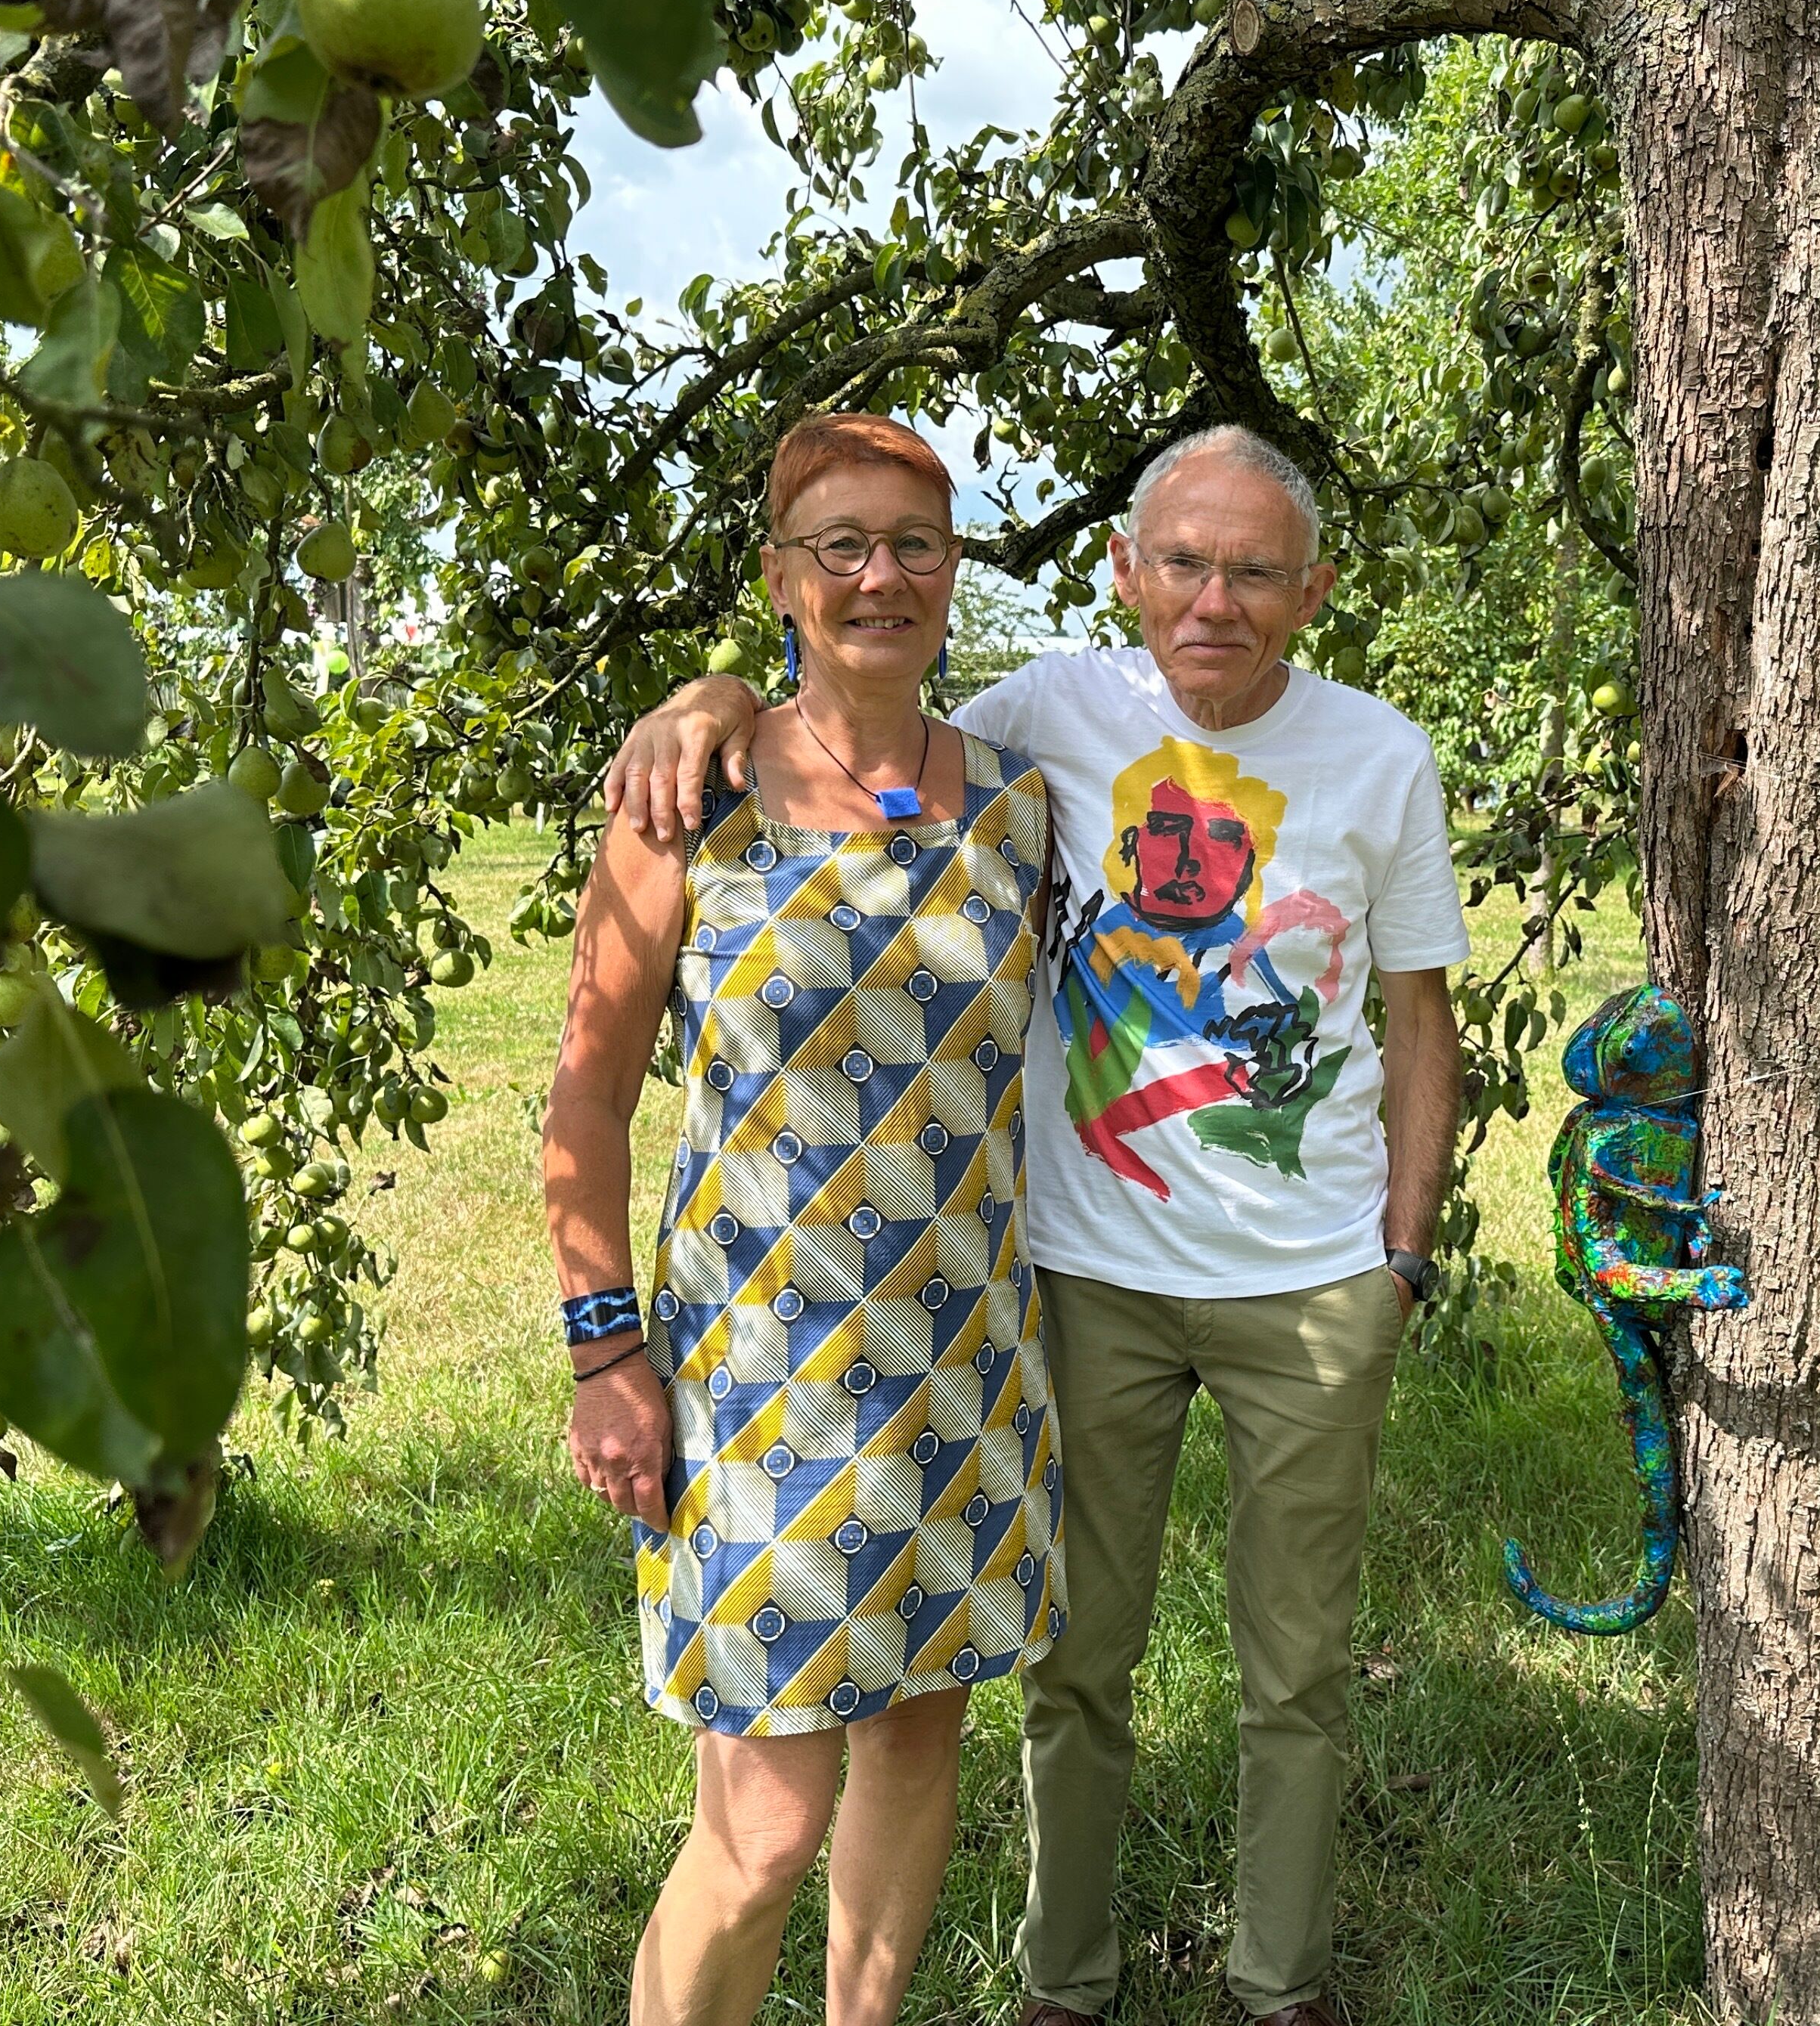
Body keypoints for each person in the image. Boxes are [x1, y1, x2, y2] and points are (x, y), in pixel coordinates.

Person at [602, 423, 1469, 2026]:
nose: (1214, 600)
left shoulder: (1322, 760)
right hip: (994, 1305)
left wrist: (1401, 1261)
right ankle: (1063, 1986)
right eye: (1184, 563)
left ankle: (1276, 1985)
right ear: (1127, 571)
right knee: (1006, 1704)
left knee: (1265, 1675)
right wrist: (706, 696)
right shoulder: (1024, 725)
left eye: (1256, 572)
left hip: (1193, 1309)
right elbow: (840, 708)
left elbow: (1422, 1020)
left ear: (1314, 590)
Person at [544, 412, 1062, 2026]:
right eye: (840, 545)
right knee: (762, 1830)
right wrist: (603, 1353)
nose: (880, 576)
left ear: (955, 573)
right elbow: (583, 1103)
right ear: (781, 577)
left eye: (915, 544)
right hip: (759, 1390)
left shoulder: (1025, 806)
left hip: (965, 1371)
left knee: (917, 1741)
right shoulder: (686, 802)